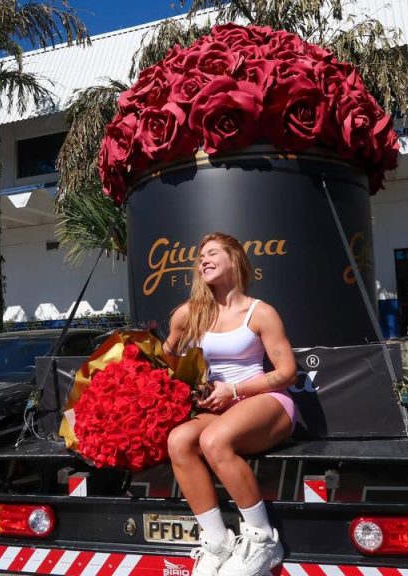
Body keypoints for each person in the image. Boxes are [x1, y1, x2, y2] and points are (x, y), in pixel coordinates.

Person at [164, 232, 297, 576]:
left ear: (234, 259)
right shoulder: (190, 314)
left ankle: (264, 540)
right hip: (219, 409)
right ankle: (218, 542)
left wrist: (233, 390)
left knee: (213, 440)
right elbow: (166, 357)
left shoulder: (260, 312)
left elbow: (286, 373)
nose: (202, 260)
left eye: (211, 253)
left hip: (265, 402)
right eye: (200, 257)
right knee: (178, 441)